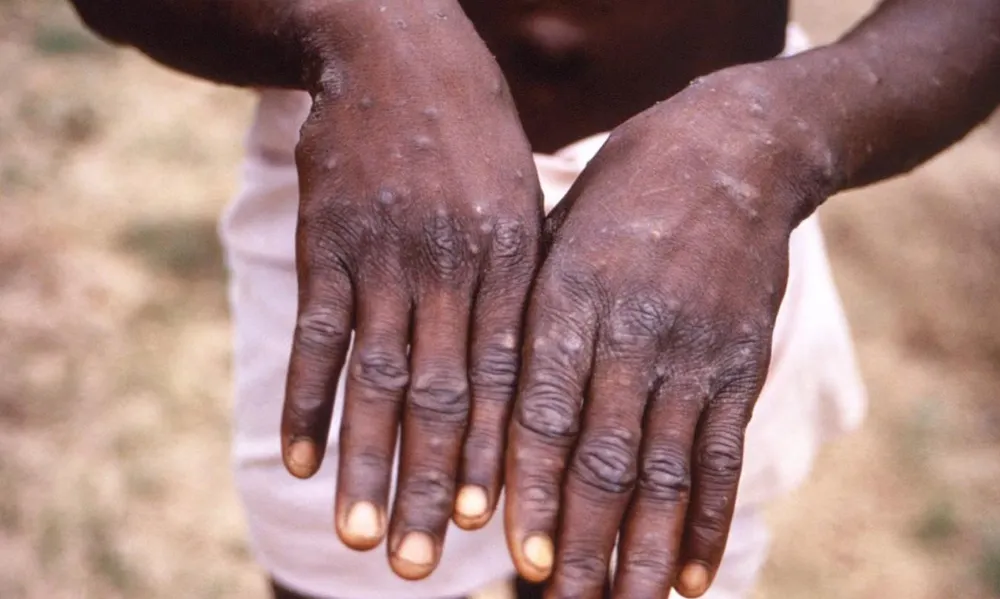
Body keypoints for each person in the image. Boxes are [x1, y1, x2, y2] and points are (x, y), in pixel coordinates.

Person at [67, 1, 1000, 598]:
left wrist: (779, 135)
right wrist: (357, 25)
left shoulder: (749, 166)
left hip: (713, 220)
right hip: (379, 180)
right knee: (347, 569)